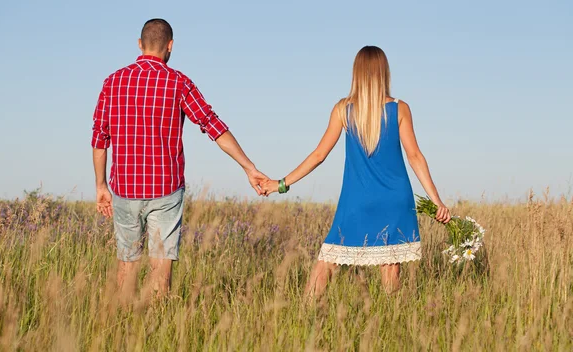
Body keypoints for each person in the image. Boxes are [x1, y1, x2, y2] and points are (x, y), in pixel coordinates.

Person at [91, 18, 268, 295]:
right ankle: (158, 327)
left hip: (124, 189)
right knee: (161, 269)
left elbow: (100, 138)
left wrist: (101, 185)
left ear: (140, 44)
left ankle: (122, 326)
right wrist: (249, 167)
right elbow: (212, 125)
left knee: (127, 264)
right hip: (165, 189)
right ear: (170, 46)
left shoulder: (112, 82)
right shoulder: (179, 82)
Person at [261, 46, 450, 296]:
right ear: (384, 72)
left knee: (328, 260)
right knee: (389, 266)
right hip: (394, 200)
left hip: (356, 201)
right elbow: (415, 156)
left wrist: (280, 184)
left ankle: (303, 315)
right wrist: (437, 201)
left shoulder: (343, 109)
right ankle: (392, 327)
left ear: (357, 73)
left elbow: (319, 155)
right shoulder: (399, 108)